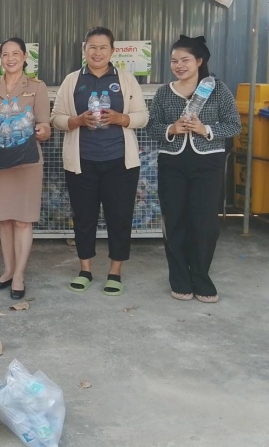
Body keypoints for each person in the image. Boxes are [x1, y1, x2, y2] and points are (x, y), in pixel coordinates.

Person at [51, 27, 149, 296]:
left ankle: (115, 272)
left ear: (112, 51)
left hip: (120, 162)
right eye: (92, 47)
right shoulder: (72, 80)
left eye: (103, 47)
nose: (97, 52)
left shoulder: (125, 79)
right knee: (84, 218)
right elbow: (56, 118)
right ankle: (85, 270)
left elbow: (143, 116)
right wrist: (76, 121)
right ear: (84, 49)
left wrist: (121, 118)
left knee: (120, 217)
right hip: (81, 162)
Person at [147, 35, 240, 303]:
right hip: (172, 163)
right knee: (174, 220)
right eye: (174, 61)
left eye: (185, 60)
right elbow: (152, 127)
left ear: (199, 61)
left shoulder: (218, 90)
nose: (178, 65)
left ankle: (201, 277)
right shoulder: (164, 92)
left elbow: (234, 124)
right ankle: (179, 278)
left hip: (208, 163)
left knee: (204, 223)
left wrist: (204, 129)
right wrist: (171, 128)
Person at [0, 39, 50, 300]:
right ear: (0, 58)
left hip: (26, 160)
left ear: (25, 56)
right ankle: (7, 271)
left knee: (22, 219)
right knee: (5, 219)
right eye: (5, 54)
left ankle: (19, 275)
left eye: (15, 53)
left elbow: (46, 126)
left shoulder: (37, 87)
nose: (10, 58)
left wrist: (40, 130)